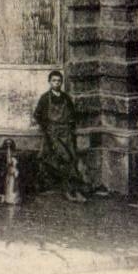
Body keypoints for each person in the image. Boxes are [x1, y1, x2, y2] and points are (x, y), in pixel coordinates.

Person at [34, 70, 94, 202]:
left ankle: (74, 190)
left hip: (66, 133)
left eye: (59, 81)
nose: (57, 83)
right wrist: (46, 128)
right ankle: (70, 190)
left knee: (71, 159)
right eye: (54, 81)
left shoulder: (66, 98)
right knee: (64, 159)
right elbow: (37, 115)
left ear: (62, 82)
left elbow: (73, 115)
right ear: (49, 82)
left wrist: (70, 128)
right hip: (53, 134)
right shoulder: (45, 98)